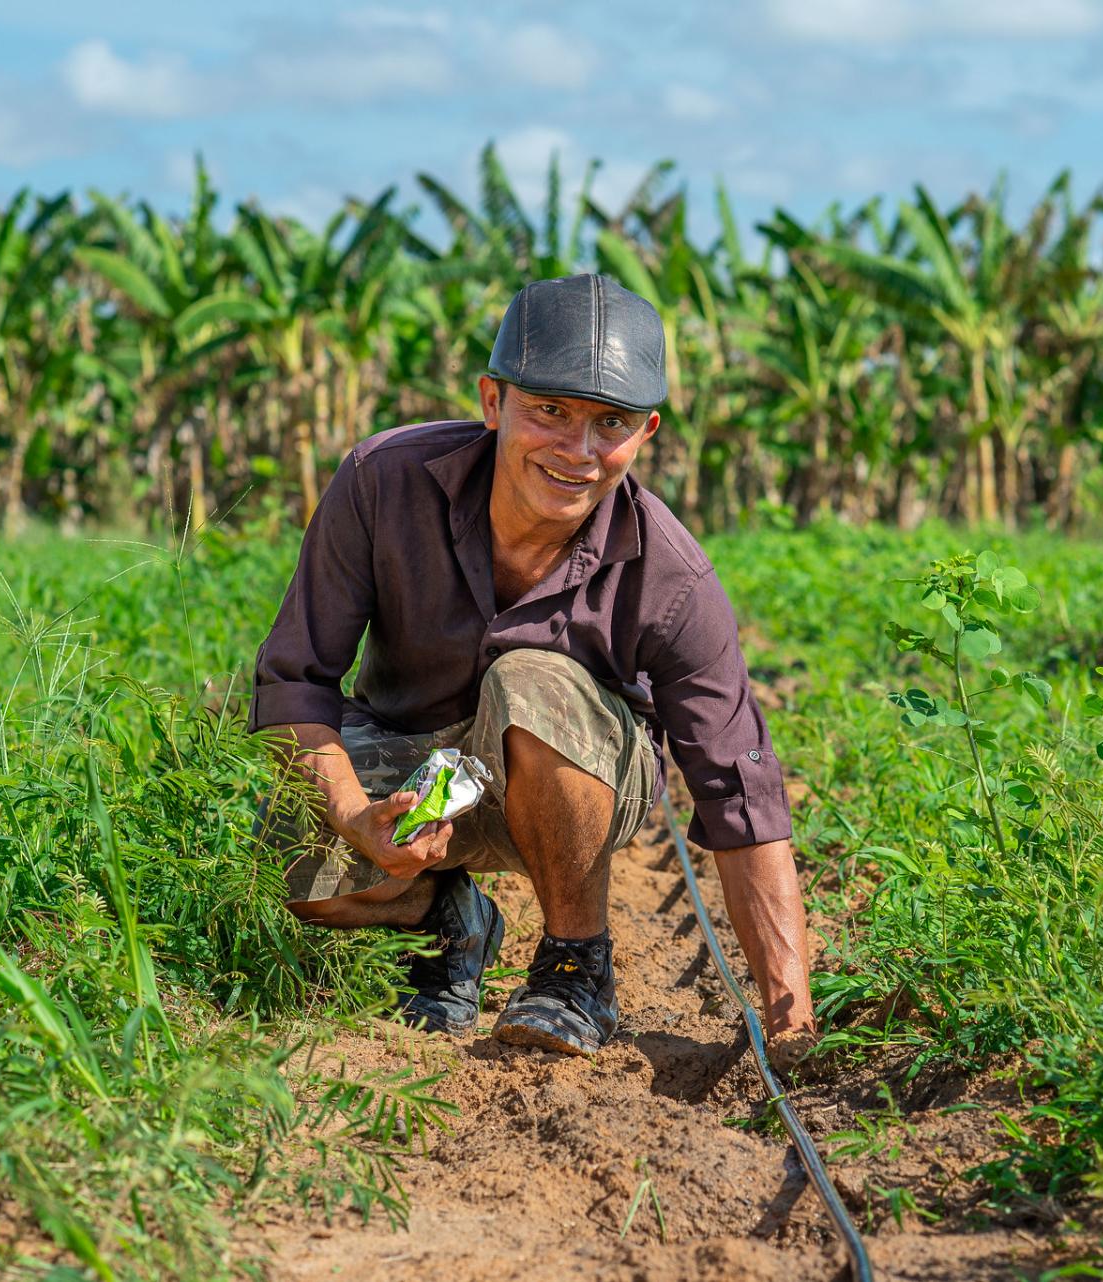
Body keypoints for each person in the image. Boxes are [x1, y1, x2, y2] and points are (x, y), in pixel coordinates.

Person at [249, 273, 818, 1065]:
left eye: (608, 423)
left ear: (645, 433)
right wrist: (351, 817)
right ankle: (444, 921)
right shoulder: (383, 483)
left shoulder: (671, 576)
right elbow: (294, 682)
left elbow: (739, 788)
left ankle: (573, 968)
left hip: (570, 783)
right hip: (413, 773)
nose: (576, 450)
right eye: (549, 411)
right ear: (493, 402)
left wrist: (791, 1028)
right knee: (266, 845)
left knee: (531, 678)